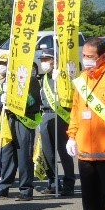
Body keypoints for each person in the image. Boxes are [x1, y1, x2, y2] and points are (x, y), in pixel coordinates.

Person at [67, 37, 105, 210]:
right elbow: (76, 111)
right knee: (91, 196)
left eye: (90, 57)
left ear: (103, 56)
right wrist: (71, 135)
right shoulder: (82, 80)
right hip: (86, 150)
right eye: (84, 56)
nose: (86, 60)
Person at [0, 61, 42, 201]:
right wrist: (3, 98)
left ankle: (25, 189)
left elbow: (32, 101)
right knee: (7, 154)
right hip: (9, 119)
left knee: (24, 156)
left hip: (24, 120)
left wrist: (13, 99)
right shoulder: (8, 79)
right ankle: (3, 187)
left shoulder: (31, 80)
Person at [39, 49, 75, 196]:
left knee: (64, 152)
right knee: (48, 153)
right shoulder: (44, 78)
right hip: (45, 115)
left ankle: (69, 184)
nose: (44, 62)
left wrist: (59, 82)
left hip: (60, 115)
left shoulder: (62, 76)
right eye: (42, 60)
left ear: (54, 60)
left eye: (47, 59)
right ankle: (53, 183)